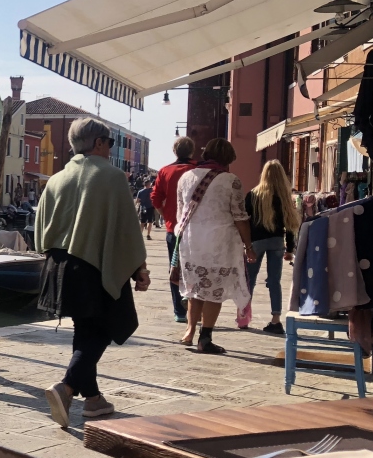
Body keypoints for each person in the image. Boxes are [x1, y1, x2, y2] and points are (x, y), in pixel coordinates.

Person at [35, 118, 149, 428]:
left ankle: (94, 400)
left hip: (58, 266)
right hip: (94, 264)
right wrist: (139, 268)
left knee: (84, 329)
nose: (110, 148)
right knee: (105, 327)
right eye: (109, 142)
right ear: (98, 142)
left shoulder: (57, 178)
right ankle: (66, 386)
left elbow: (40, 228)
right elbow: (127, 227)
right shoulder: (112, 176)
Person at [177, 138, 253, 355]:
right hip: (219, 243)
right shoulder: (231, 181)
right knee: (214, 291)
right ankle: (205, 338)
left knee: (195, 288)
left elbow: (180, 212)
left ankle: (189, 331)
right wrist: (248, 246)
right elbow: (240, 217)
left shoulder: (186, 177)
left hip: (191, 242)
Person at [236, 159, 299, 336]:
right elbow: (290, 225)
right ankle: (276, 319)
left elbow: (244, 220)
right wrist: (290, 249)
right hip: (277, 242)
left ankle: (243, 316)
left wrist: (245, 243)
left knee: (250, 279)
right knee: (274, 281)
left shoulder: (254, 195)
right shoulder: (284, 196)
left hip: (256, 242)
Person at [151, 136, 196, 323]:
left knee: (175, 269)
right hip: (196, 229)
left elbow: (155, 198)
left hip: (173, 229)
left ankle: (179, 311)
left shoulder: (165, 171)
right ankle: (195, 308)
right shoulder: (199, 170)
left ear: (174, 152)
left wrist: (166, 216)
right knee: (196, 269)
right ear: (192, 151)